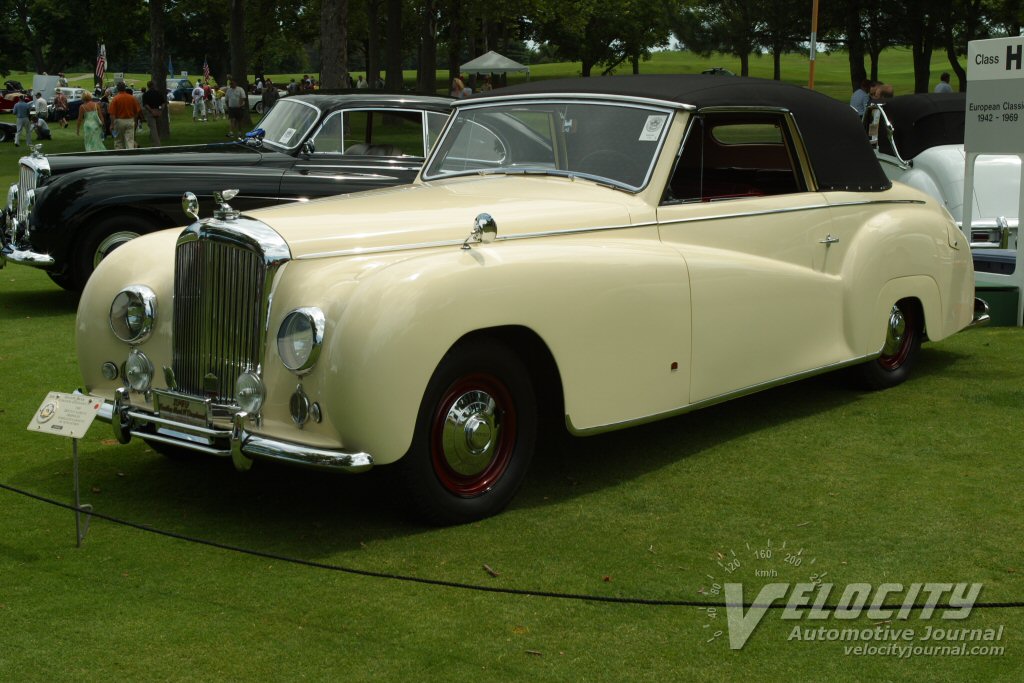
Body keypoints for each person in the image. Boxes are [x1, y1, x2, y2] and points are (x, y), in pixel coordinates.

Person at [108, 82, 141, 149]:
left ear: (117, 89)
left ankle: (120, 155)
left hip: (119, 121)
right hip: (130, 120)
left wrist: (112, 124)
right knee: (130, 140)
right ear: (125, 88)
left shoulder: (115, 99)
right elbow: (137, 111)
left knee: (119, 141)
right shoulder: (132, 98)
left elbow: (112, 113)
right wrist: (135, 120)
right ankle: (130, 154)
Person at [141, 80, 166, 146]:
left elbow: (145, 105)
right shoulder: (158, 93)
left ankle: (157, 144)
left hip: (150, 112)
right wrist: (160, 110)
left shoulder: (145, 94)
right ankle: (156, 142)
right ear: (153, 85)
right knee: (158, 128)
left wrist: (151, 111)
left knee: (153, 129)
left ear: (148, 86)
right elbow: (163, 103)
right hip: (158, 111)